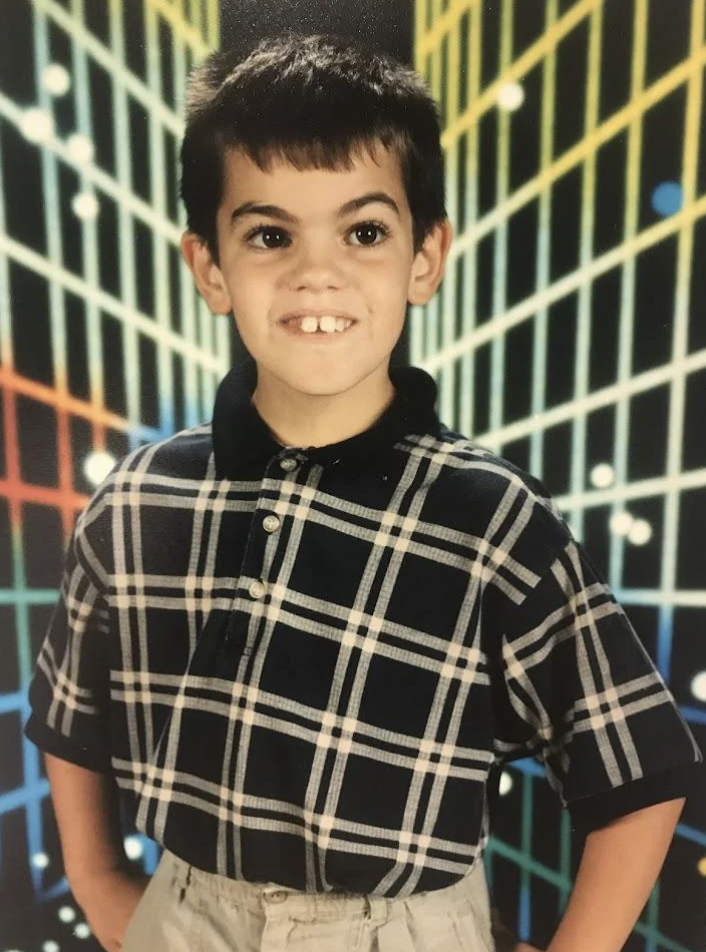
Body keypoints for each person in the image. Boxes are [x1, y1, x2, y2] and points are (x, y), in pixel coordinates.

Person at [25, 33, 703, 952]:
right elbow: (72, 718)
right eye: (270, 234)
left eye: (364, 230)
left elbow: (640, 772)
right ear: (209, 267)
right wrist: (103, 881)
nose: (317, 273)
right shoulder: (138, 501)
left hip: (406, 926)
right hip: (184, 913)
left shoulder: (490, 521)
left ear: (425, 258)